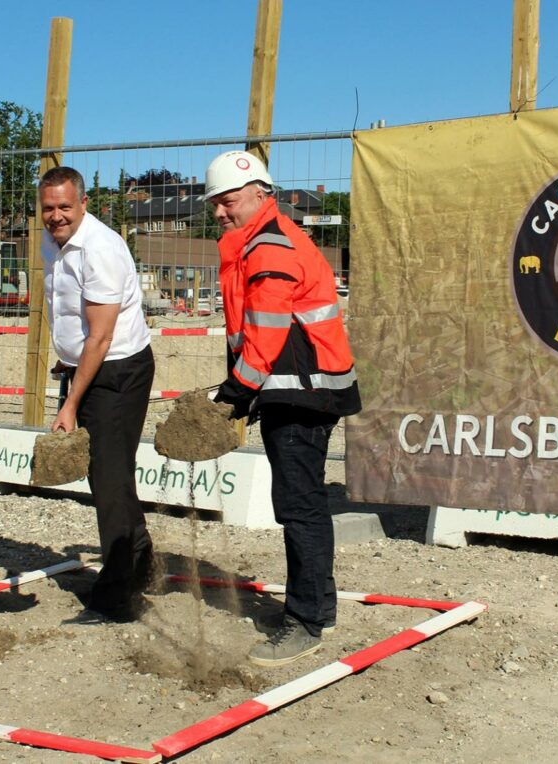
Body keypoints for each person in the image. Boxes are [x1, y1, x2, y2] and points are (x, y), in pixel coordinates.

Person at [203, 150, 362, 666]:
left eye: (228, 202)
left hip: (299, 392)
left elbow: (267, 331)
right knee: (306, 502)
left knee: (299, 506)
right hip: (297, 388)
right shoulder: (265, 239)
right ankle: (319, 607)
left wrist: (236, 390)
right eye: (216, 205)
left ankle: (306, 621)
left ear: (260, 194)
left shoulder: (269, 245)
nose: (221, 212)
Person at [39, 165, 156, 623]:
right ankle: (141, 562)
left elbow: (102, 337)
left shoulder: (101, 249)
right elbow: (71, 317)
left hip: (118, 370)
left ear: (84, 203)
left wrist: (70, 402)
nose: (56, 216)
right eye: (48, 208)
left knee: (108, 481)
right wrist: (67, 361)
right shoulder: (52, 243)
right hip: (87, 366)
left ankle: (118, 598)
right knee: (108, 475)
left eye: (65, 206)